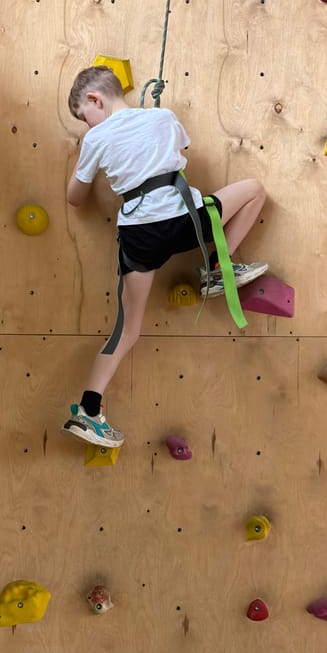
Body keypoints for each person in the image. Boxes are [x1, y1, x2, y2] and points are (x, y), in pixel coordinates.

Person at [61, 65, 268, 448]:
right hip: (186, 220)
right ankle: (217, 270)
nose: (87, 126)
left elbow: (75, 198)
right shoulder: (162, 116)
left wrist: (85, 155)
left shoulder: (96, 138)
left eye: (84, 118)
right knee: (254, 189)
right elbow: (175, 149)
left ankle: (89, 412)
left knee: (127, 331)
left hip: (141, 235)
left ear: (95, 100)